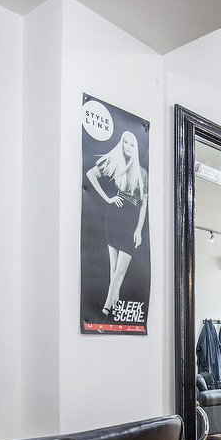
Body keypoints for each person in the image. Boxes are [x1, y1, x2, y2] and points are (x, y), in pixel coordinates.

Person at [85, 130, 148, 317]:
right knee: (113, 268)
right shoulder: (116, 162)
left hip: (131, 219)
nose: (128, 146)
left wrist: (139, 230)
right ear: (121, 144)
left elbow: (144, 203)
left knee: (120, 269)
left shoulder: (142, 173)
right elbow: (91, 173)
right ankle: (115, 306)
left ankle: (106, 309)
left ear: (136, 147)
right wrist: (108, 198)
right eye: (125, 142)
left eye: (132, 144)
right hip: (115, 216)